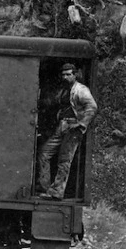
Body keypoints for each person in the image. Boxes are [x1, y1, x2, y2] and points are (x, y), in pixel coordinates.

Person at [36, 63, 97, 200]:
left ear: (75, 75)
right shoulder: (64, 90)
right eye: (63, 74)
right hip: (62, 125)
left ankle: (57, 192)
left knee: (64, 160)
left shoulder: (81, 89)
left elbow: (92, 107)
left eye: (69, 74)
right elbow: (53, 103)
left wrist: (81, 123)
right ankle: (45, 188)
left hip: (72, 127)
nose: (65, 77)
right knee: (44, 153)